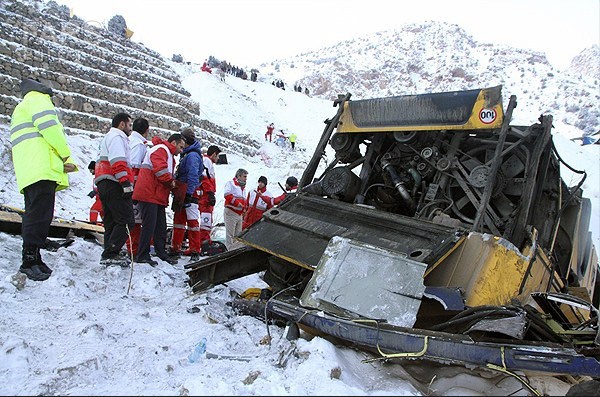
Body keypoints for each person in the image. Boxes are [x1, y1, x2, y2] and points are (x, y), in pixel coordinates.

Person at [10, 77, 78, 281]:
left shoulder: (23, 106)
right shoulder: (38, 100)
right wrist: (65, 155)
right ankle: (29, 261)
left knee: (35, 214)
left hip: (30, 169)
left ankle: (35, 257)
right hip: (41, 168)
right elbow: (51, 129)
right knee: (39, 216)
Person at [132, 134, 185, 266]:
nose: (181, 150)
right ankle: (142, 255)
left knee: (160, 226)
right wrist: (171, 183)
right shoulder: (161, 150)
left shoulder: (167, 154)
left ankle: (161, 252)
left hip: (157, 195)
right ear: (173, 142)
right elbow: (160, 170)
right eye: (180, 147)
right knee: (149, 225)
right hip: (150, 193)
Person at [95, 113, 135, 266]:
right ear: (122, 124)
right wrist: (125, 182)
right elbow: (118, 160)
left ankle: (111, 251)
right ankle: (111, 253)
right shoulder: (118, 137)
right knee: (126, 220)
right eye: (129, 125)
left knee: (111, 221)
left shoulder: (107, 138)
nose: (130, 129)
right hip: (115, 182)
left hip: (104, 182)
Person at [170, 128, 204, 257]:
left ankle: (195, 248)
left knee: (191, 220)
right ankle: (176, 246)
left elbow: (193, 176)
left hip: (188, 191)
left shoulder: (192, 156)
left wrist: (189, 194)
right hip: (183, 190)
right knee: (179, 219)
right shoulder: (188, 154)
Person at [126, 117, 151, 257]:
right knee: (135, 222)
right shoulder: (139, 145)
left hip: (124, 185)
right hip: (133, 188)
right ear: (146, 131)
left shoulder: (128, 141)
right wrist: (134, 191)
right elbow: (135, 169)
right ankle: (133, 250)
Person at [197, 145, 221, 255]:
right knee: (206, 220)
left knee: (206, 220)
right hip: (205, 196)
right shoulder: (206, 161)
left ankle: (205, 241)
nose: (219, 158)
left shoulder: (207, 162)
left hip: (206, 195)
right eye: (218, 156)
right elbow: (204, 178)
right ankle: (203, 243)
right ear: (214, 154)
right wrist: (210, 193)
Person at [223, 168, 247, 250]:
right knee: (230, 235)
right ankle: (228, 251)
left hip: (239, 214)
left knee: (238, 236)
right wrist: (237, 203)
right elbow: (227, 195)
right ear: (239, 176)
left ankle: (234, 251)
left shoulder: (243, 188)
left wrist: (244, 209)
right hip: (231, 212)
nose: (246, 178)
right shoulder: (231, 184)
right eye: (244, 176)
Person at [87, 160, 103, 225]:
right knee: (103, 212)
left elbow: (101, 186)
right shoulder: (97, 176)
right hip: (99, 197)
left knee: (94, 209)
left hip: (101, 197)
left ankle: (93, 222)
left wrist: (95, 192)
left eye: (91, 170)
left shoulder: (99, 176)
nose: (90, 172)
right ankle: (106, 222)